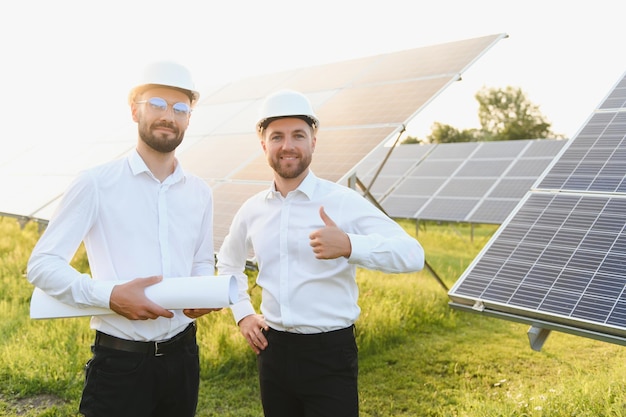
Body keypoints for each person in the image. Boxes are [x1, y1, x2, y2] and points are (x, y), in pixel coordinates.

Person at [216, 89, 425, 417]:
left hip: (329, 353)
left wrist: (350, 245)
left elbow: (412, 254)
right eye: (277, 137)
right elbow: (228, 262)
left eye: (298, 135)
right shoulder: (251, 209)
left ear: (314, 140)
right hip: (273, 351)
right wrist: (242, 313)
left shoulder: (341, 201)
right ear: (263, 145)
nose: (288, 145)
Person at [27, 61, 217, 417]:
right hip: (120, 364)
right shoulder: (96, 183)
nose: (168, 116)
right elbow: (42, 265)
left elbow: (201, 260)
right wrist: (110, 296)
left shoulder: (200, 192)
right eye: (157, 104)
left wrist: (202, 290)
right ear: (134, 110)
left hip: (183, 360)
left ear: (189, 118)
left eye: (180, 109)